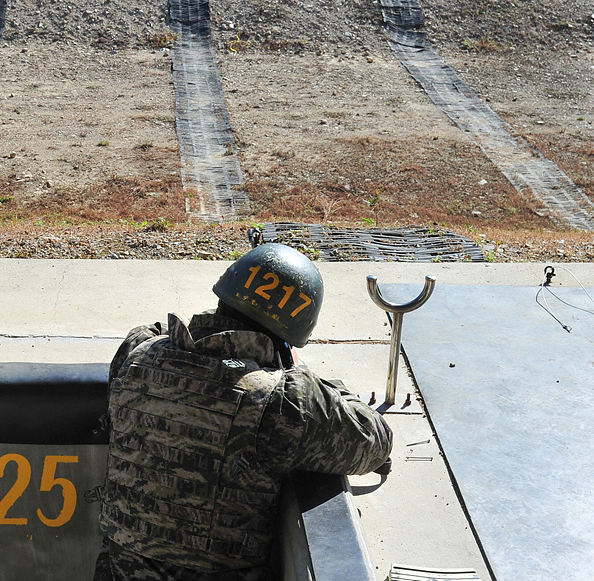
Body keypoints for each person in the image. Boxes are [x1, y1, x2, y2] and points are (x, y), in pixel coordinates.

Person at [93, 243, 392, 581]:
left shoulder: (138, 351)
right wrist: (301, 377)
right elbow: (374, 440)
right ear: (289, 336)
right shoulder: (279, 400)